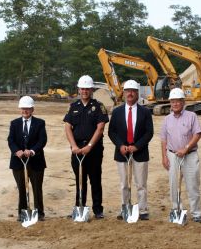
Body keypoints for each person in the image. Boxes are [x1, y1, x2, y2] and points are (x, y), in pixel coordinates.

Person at [63, 75, 109, 218]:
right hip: (77, 150)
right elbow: (67, 127)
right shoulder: (73, 106)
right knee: (79, 180)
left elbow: (100, 128)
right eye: (82, 88)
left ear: (91, 90)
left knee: (95, 180)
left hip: (93, 150)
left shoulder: (98, 106)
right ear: (79, 89)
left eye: (87, 89)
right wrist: (73, 146)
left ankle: (98, 210)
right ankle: (79, 207)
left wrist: (89, 145)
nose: (84, 91)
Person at [108, 79, 154, 220]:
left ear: (137, 93)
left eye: (133, 91)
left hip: (140, 152)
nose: (130, 93)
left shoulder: (145, 112)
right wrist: (120, 145)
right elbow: (112, 132)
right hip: (122, 153)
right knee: (124, 184)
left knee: (141, 184)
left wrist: (137, 146)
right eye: (128, 91)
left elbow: (149, 132)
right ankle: (125, 208)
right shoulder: (116, 112)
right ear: (124, 93)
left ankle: (142, 210)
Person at [160, 88, 201, 222]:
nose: (175, 104)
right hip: (172, 155)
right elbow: (163, 139)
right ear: (170, 103)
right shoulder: (166, 119)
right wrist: (164, 156)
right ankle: (176, 210)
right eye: (173, 101)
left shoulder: (192, 116)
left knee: (192, 185)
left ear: (183, 102)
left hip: (190, 155)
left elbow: (197, 134)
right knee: (174, 186)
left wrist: (186, 148)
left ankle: (196, 214)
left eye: (178, 101)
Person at [8, 96, 47, 221]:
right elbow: (11, 140)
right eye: (23, 108)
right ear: (20, 109)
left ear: (32, 109)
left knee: (37, 188)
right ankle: (22, 212)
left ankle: (39, 213)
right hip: (18, 162)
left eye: (28, 108)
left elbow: (42, 140)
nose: (25, 110)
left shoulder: (40, 123)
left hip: (36, 162)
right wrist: (16, 151)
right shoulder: (14, 123)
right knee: (22, 188)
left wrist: (32, 151)